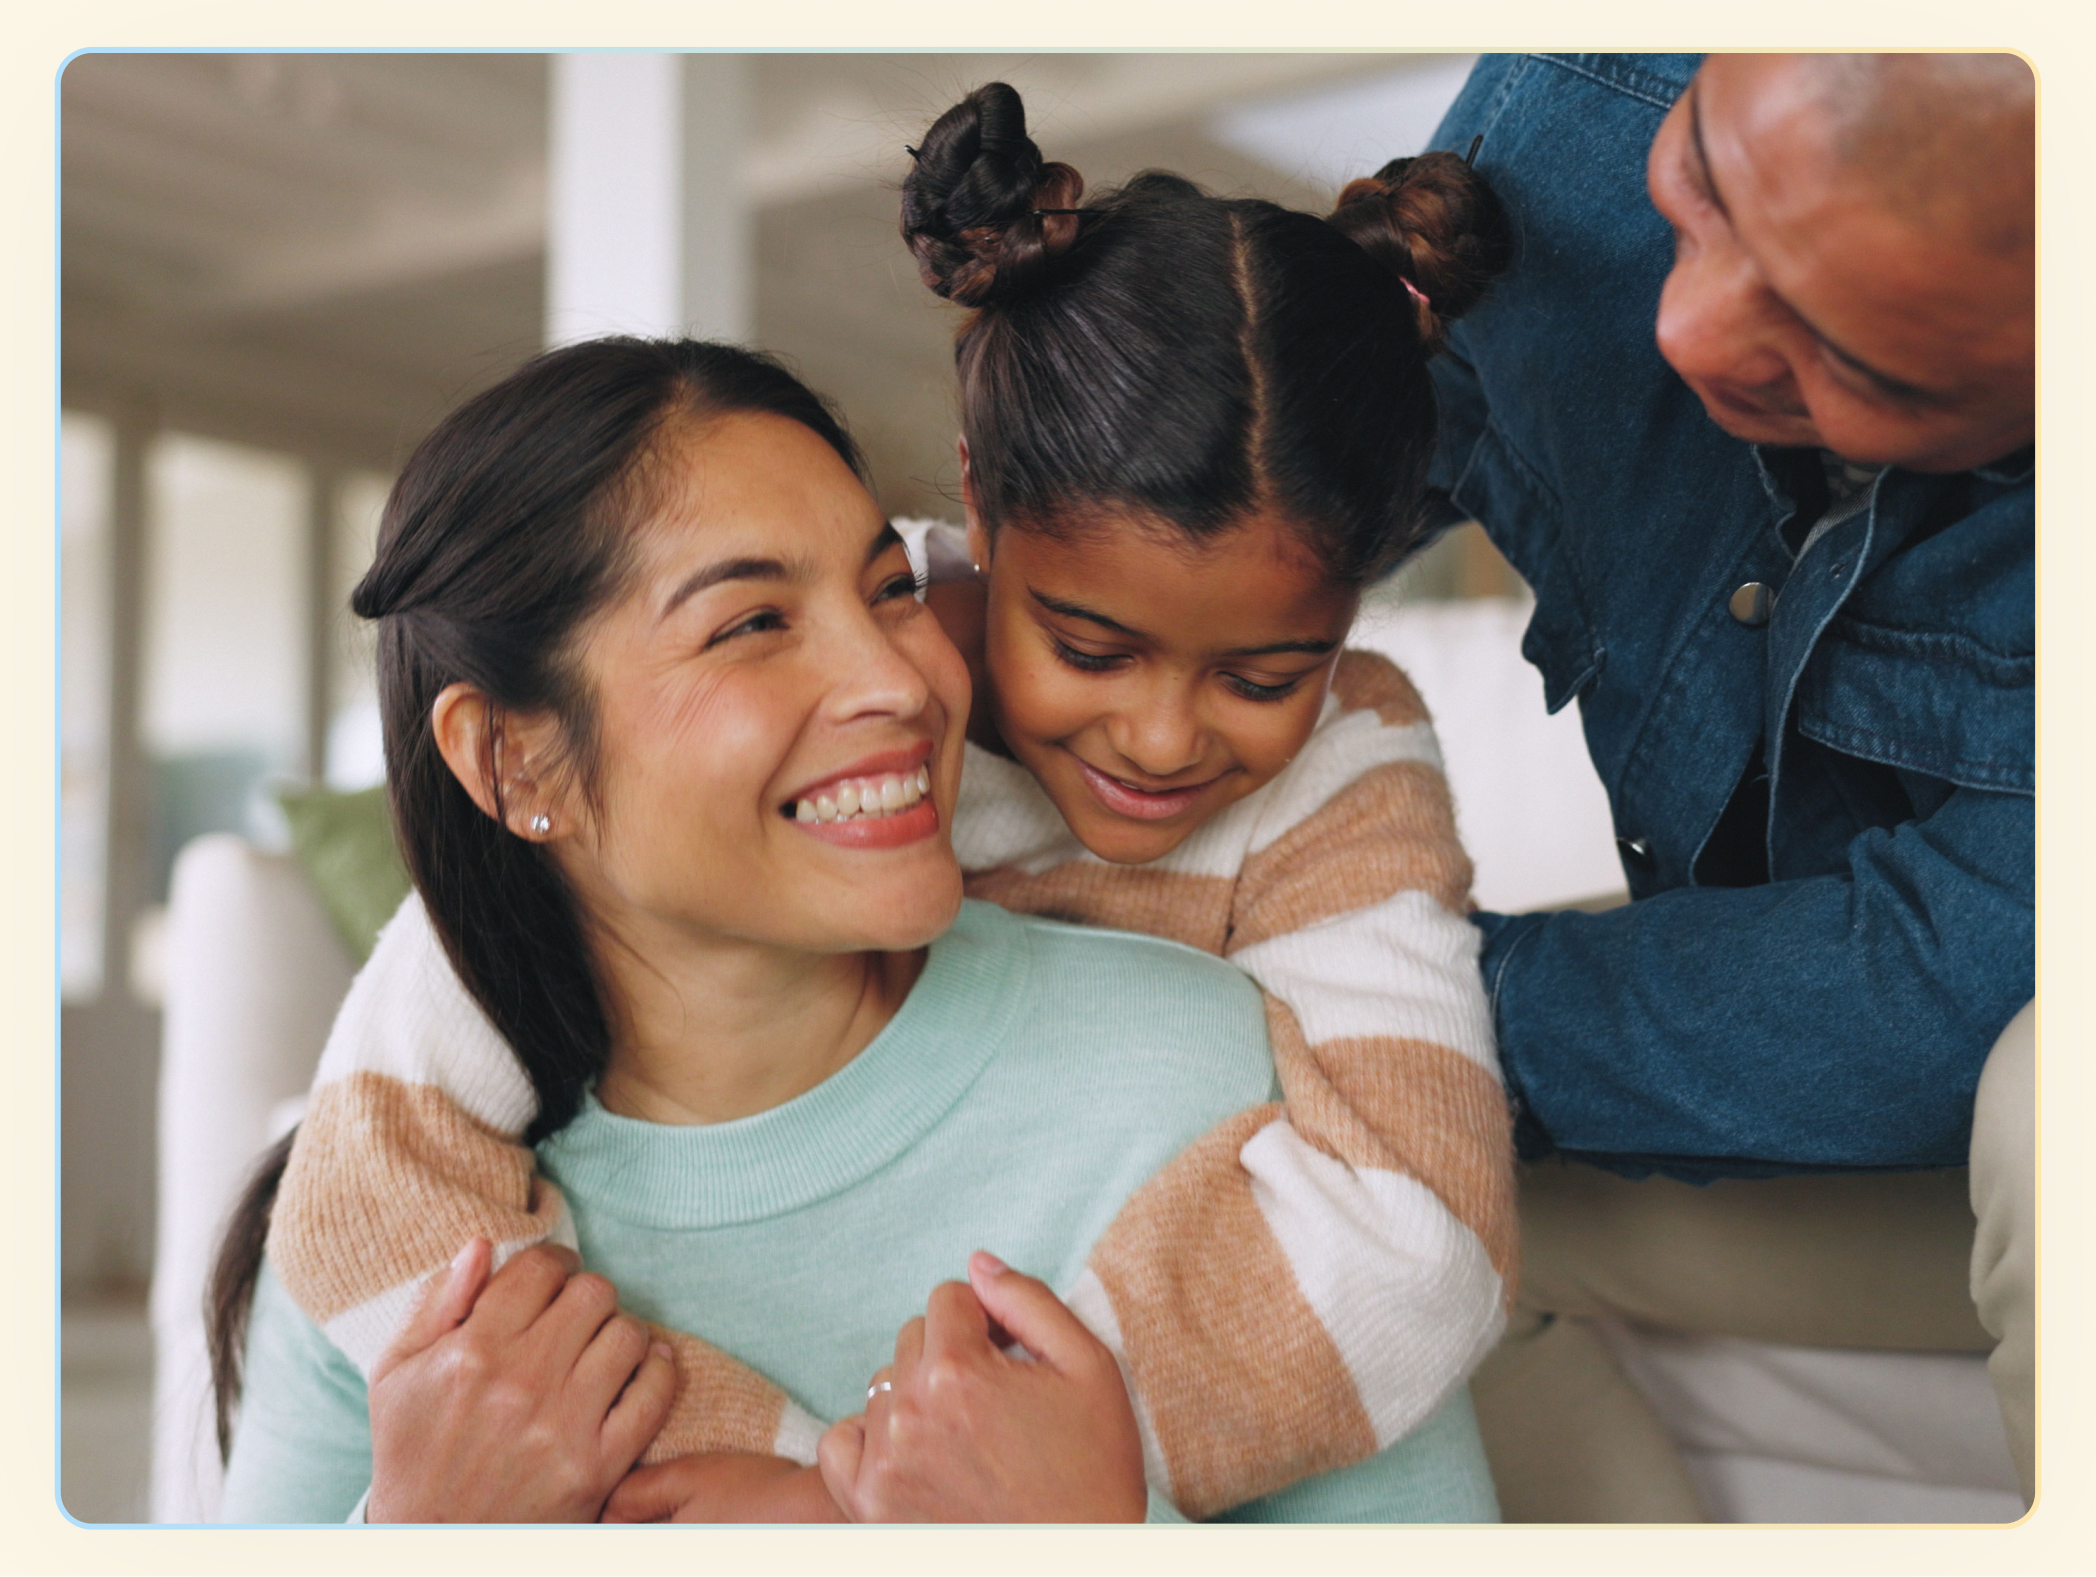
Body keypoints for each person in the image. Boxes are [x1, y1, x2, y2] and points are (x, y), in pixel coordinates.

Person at [211, 335, 1506, 1524]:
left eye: (891, 590)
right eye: (753, 624)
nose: (900, 678)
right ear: (513, 761)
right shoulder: (397, 1259)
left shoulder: (1203, 1076)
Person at [1415, 53, 2035, 1517]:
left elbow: (1929, 992)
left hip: (1973, 1063)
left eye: (1852, 360)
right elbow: (1301, 463)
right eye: (1702, 185)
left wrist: (1391, 995)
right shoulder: (1579, 93)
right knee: (1367, 1198)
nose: (1683, 327)